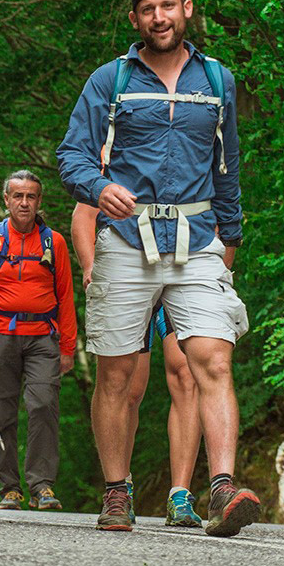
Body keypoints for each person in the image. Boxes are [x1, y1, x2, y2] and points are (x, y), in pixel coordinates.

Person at [56, 0, 256, 536]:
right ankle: (116, 492)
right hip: (125, 239)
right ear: (134, 18)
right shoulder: (110, 80)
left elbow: (229, 168)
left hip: (199, 243)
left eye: (168, 6)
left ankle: (221, 487)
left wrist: (230, 241)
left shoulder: (217, 80)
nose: (159, 17)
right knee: (116, 375)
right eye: (148, 9)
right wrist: (98, 189)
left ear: (186, 9)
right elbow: (71, 156)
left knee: (214, 360)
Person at [72, 202, 204, 528]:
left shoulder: (187, 162)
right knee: (129, 389)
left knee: (187, 374)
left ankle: (180, 495)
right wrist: (91, 268)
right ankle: (120, 487)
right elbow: (83, 215)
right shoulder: (115, 157)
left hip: (180, 267)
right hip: (131, 270)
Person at [0, 171, 76, 511]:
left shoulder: (53, 242)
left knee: (43, 405)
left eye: (31, 197)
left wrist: (68, 348)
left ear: (39, 201)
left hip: (43, 337)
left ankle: (42, 485)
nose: (24, 202)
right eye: (18, 196)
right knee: (1, 413)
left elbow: (66, 297)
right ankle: (10, 488)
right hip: (0, 337)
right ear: (7, 200)